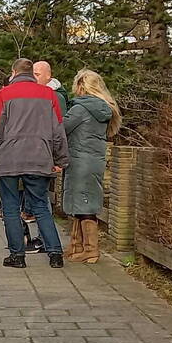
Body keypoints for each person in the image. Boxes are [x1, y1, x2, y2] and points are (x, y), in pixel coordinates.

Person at [0, 58, 69, 269]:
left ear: (13, 72)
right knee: (41, 206)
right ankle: (55, 254)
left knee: (10, 208)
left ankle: (17, 256)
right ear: (32, 74)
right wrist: (61, 159)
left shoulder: (2, 96)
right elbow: (58, 130)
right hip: (39, 158)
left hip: (8, 160)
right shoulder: (49, 95)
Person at [63, 70, 121, 264]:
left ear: (81, 86)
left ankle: (90, 249)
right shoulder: (104, 108)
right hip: (94, 159)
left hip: (80, 159)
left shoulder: (80, 109)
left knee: (83, 203)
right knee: (83, 200)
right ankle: (78, 246)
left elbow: (63, 128)